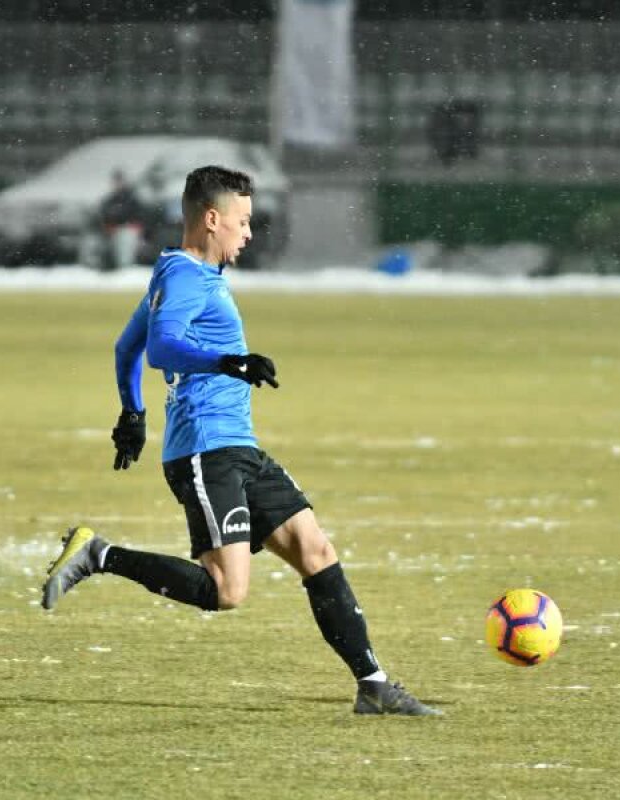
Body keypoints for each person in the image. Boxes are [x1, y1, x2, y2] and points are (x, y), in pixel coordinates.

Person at [41, 166, 441, 716]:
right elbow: (159, 348)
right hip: (206, 450)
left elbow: (124, 348)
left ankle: (373, 686)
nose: (249, 233)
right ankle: (98, 553)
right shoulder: (184, 278)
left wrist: (132, 412)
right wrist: (225, 361)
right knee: (226, 590)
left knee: (316, 551)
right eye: (243, 221)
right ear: (212, 219)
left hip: (238, 446)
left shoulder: (180, 273)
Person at [98, 169, 145, 270]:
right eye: (116, 181)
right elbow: (104, 217)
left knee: (126, 244)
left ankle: (126, 270)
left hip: (129, 230)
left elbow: (140, 217)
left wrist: (136, 226)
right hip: (112, 232)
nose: (118, 184)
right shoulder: (109, 200)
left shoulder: (132, 198)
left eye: (120, 181)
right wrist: (108, 227)